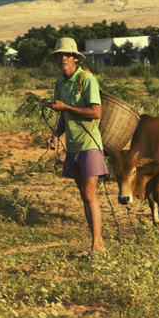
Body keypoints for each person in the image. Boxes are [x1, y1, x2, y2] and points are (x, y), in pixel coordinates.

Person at [46, 37, 108, 258]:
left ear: (75, 58)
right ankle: (96, 243)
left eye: (67, 55)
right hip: (72, 145)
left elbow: (96, 113)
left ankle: (97, 246)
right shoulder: (60, 82)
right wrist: (55, 134)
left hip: (90, 143)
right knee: (84, 194)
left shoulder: (87, 79)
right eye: (59, 55)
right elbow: (63, 114)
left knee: (90, 193)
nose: (63, 58)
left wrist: (65, 106)